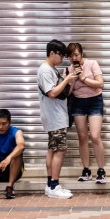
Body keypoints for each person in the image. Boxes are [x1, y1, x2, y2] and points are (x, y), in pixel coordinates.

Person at [38, 39, 76, 199]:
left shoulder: (52, 70)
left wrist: (70, 81)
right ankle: (54, 185)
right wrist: (66, 80)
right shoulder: (45, 70)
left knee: (53, 149)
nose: (62, 59)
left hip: (57, 115)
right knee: (60, 149)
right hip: (54, 116)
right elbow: (52, 93)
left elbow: (63, 93)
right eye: (60, 55)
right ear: (52, 53)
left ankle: (50, 185)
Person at [66, 42, 108, 185]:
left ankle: (101, 170)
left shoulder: (92, 64)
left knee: (95, 136)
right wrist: (72, 79)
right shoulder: (68, 69)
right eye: (71, 56)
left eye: (76, 54)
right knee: (82, 137)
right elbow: (68, 92)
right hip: (78, 103)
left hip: (95, 101)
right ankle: (86, 170)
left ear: (82, 54)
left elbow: (100, 84)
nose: (74, 58)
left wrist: (83, 78)